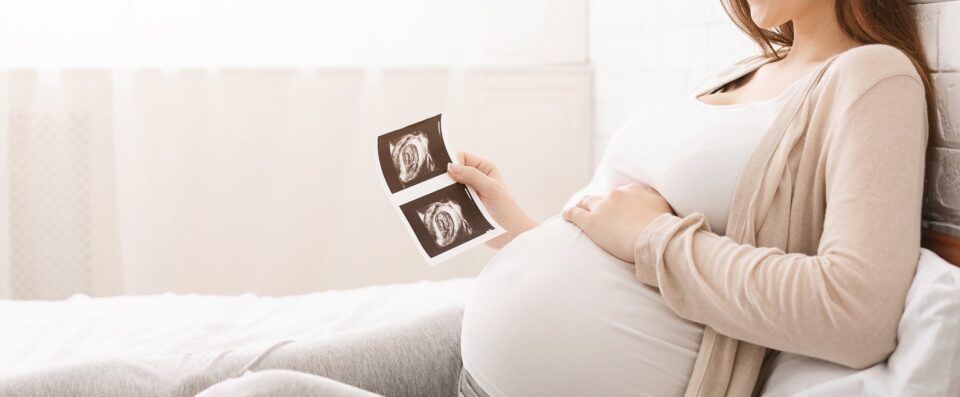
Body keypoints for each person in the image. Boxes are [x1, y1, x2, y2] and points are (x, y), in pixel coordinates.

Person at [0, 0, 932, 396]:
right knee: (228, 363)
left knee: (257, 388)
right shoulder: (739, 73)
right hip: (471, 335)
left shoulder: (869, 79)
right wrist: (524, 232)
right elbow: (620, 232)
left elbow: (853, 313)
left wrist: (649, 237)